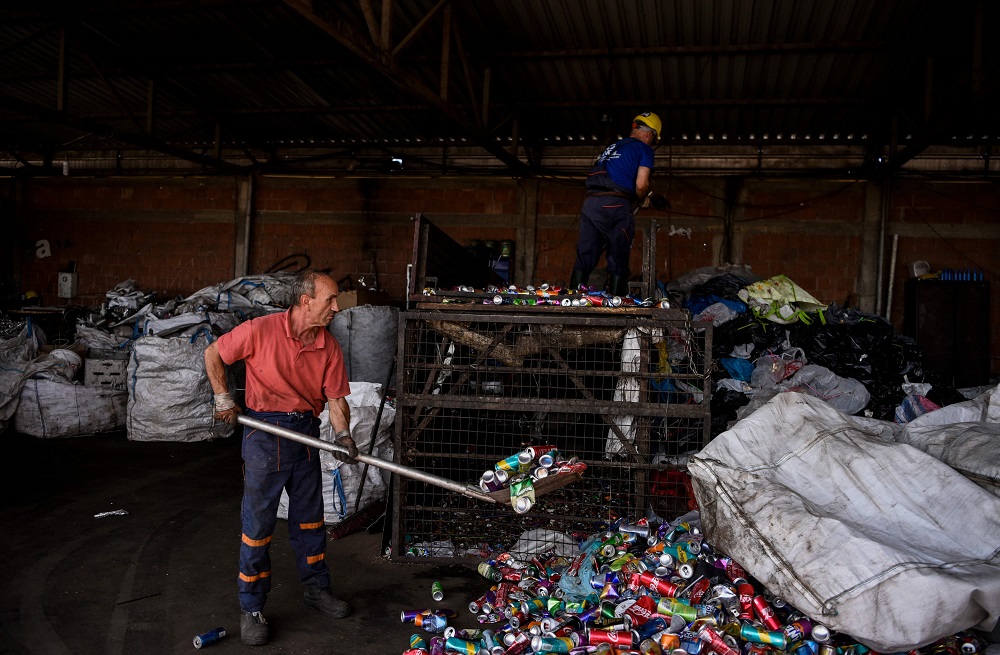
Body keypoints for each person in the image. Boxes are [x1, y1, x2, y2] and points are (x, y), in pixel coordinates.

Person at [204, 269, 360, 646]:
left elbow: (336, 399)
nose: (337, 307)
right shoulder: (261, 329)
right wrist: (223, 397)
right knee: (258, 527)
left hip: (305, 433)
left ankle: (316, 589)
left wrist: (343, 436)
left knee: (310, 521)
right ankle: (252, 605)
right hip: (264, 433)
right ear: (306, 301)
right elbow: (214, 353)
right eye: (331, 300)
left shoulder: (329, 347)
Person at [569, 111, 668, 296]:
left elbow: (615, 174)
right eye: (653, 138)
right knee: (618, 256)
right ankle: (615, 303)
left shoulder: (613, 147)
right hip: (615, 206)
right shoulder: (644, 149)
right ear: (649, 134)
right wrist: (642, 199)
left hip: (590, 204)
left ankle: (571, 300)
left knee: (585, 256)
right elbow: (641, 184)